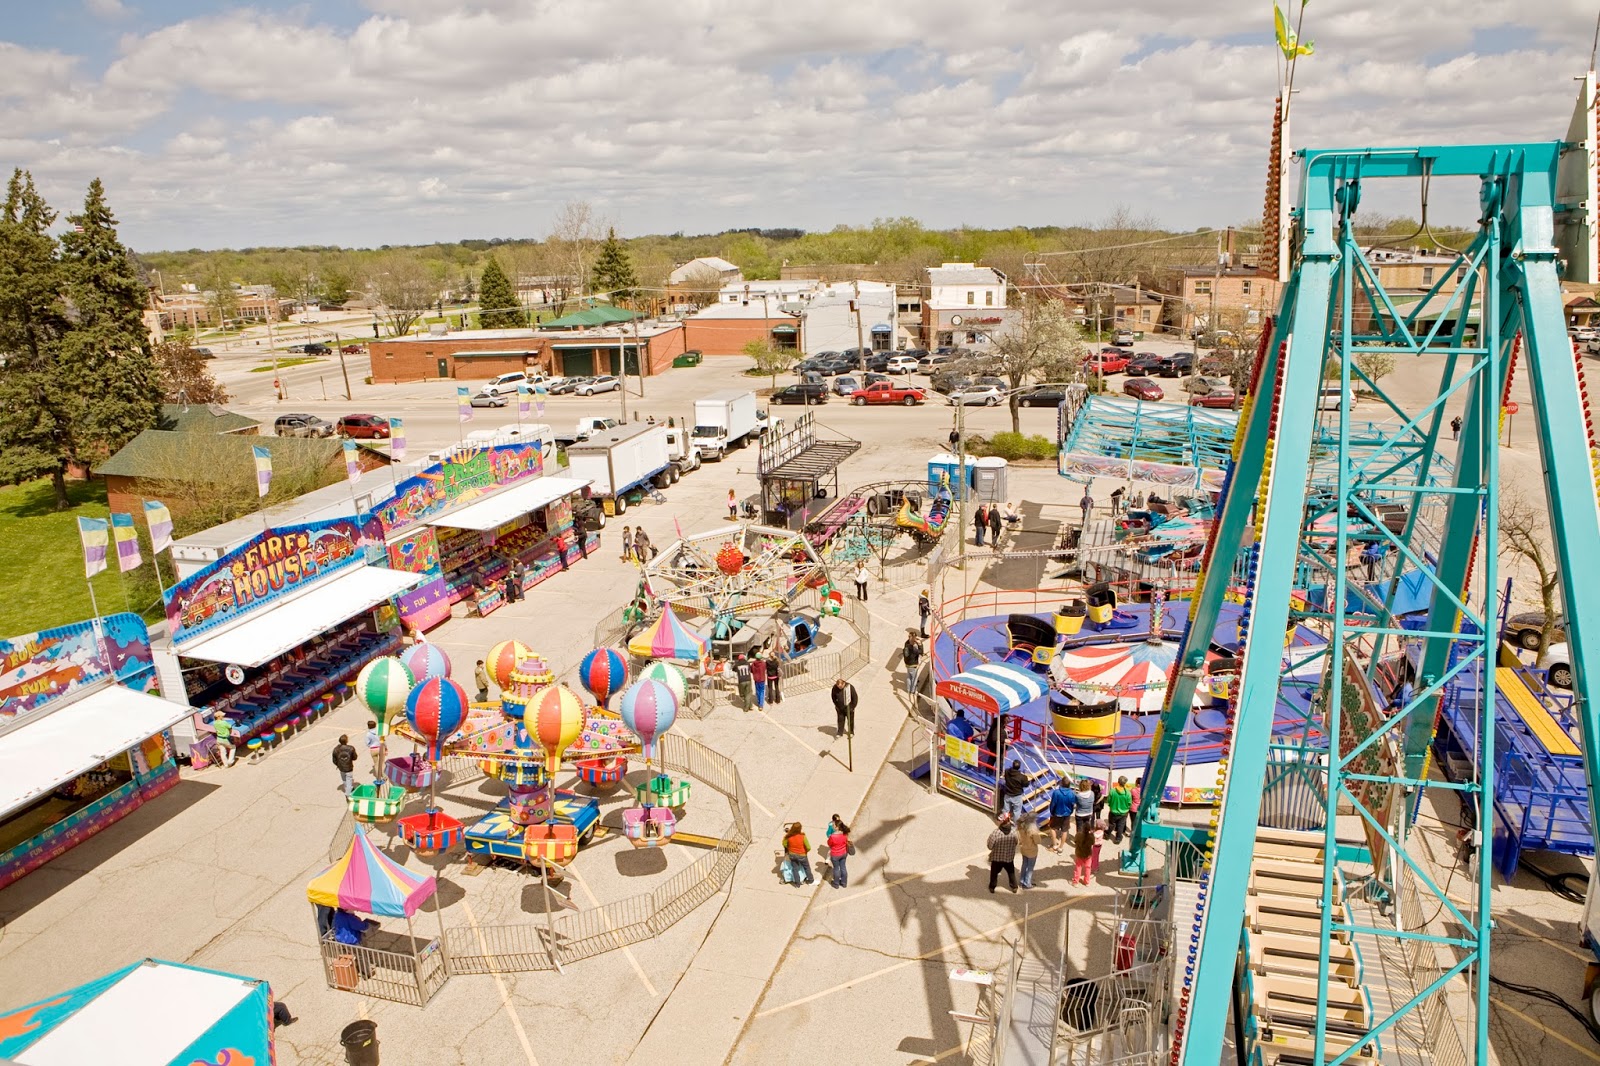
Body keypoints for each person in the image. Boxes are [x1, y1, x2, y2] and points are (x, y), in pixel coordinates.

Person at [987, 814, 1019, 893]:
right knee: (1011, 872)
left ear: (1000, 821)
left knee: (994, 873)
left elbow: (990, 846)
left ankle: (992, 887)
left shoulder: (996, 833)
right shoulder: (1013, 832)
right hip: (1009, 857)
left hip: (997, 858)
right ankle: (1014, 887)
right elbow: (1016, 842)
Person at [1048, 777, 1077, 851]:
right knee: (1064, 830)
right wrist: (1070, 812)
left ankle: (1054, 845)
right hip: (1066, 814)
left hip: (1057, 813)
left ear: (1061, 783)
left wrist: (1052, 812)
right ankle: (1061, 848)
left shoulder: (1056, 792)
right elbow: (1072, 804)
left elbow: (1053, 804)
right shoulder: (1072, 793)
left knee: (1052, 828)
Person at [1017, 811, 1042, 889]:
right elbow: (1038, 841)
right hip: (1032, 851)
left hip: (1023, 849)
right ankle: (1027, 883)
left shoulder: (1020, 828)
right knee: (1030, 867)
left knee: (1024, 865)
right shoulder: (1033, 831)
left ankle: (1022, 880)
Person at [827, 815, 852, 888]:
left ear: (837, 827)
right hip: (843, 853)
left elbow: (829, 843)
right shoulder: (845, 834)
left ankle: (836, 883)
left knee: (836, 868)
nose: (833, 826)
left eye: (834, 825)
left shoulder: (833, 836)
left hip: (835, 855)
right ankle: (844, 883)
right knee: (843, 867)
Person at [1107, 776, 1133, 843]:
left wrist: (1111, 806)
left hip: (1113, 811)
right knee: (1120, 826)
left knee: (1111, 824)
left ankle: (1107, 835)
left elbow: (1108, 801)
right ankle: (1118, 839)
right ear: (1125, 783)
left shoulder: (1112, 791)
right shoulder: (1128, 793)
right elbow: (1129, 803)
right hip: (1123, 813)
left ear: (1118, 782)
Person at [1072, 817, 1095, 885]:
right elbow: (1093, 843)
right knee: (1088, 868)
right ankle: (1087, 881)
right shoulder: (1091, 836)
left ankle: (1076, 881)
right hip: (1088, 854)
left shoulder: (1078, 835)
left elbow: (1075, 841)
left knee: (1078, 867)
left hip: (1079, 853)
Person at [902, 632, 923, 697]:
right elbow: (920, 652)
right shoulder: (913, 648)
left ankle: (908, 689)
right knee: (914, 678)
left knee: (909, 677)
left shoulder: (906, 644)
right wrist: (920, 645)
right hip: (913, 665)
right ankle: (913, 691)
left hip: (907, 664)